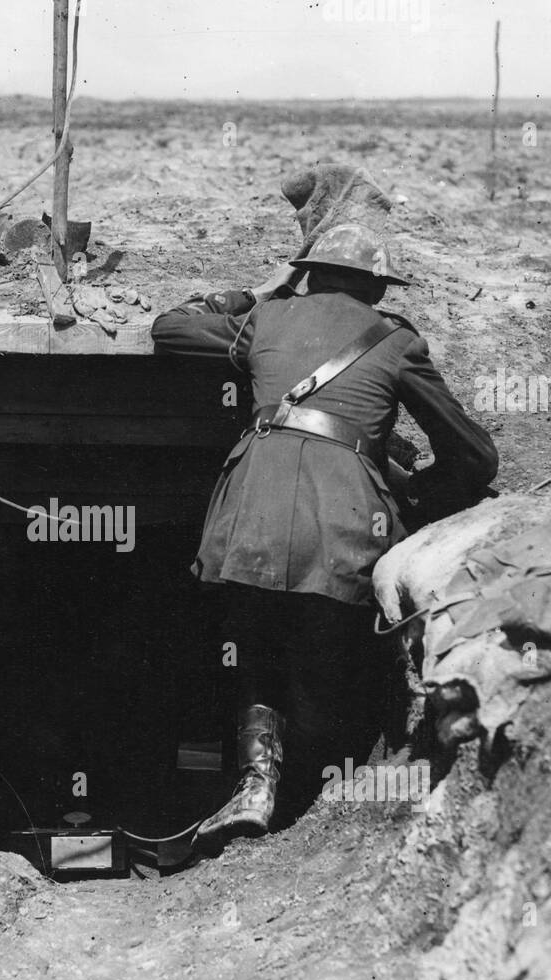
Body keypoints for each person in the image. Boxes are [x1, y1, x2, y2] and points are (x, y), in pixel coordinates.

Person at [150, 223, 498, 846]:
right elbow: (473, 455)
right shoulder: (395, 341)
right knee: (326, 649)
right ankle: (312, 790)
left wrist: (254, 292)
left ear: (307, 272)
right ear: (375, 286)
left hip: (251, 509)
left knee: (254, 644)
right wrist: (419, 501)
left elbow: (170, 328)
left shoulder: (269, 319)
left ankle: (257, 785)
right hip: (342, 520)